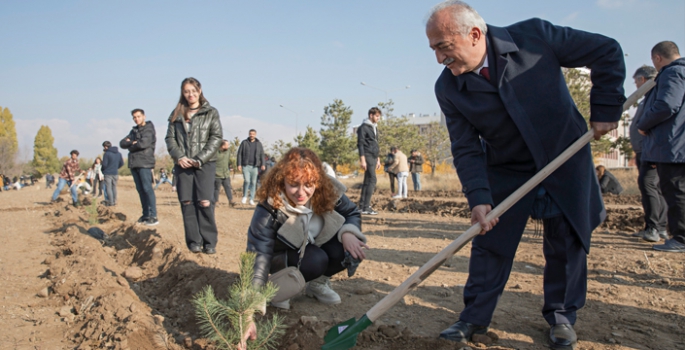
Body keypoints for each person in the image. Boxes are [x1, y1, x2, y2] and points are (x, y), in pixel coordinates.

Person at [426, 1, 626, 348]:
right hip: (507, 169)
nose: (439, 59)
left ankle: (562, 317)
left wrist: (606, 108)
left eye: (443, 47)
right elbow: (465, 148)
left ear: (474, 35)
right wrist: (478, 197)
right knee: (491, 243)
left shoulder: (534, 38)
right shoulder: (448, 89)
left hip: (565, 157)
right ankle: (473, 318)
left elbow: (606, 51)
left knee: (566, 240)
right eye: (433, 50)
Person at [246, 148, 368, 312]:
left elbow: (351, 212)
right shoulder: (269, 208)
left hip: (312, 246)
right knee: (315, 260)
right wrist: (254, 292)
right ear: (283, 181)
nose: (301, 193)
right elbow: (259, 252)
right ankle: (278, 288)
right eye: (294, 185)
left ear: (317, 181)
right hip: (282, 256)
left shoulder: (329, 191)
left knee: (345, 248)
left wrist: (348, 232)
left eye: (308, 185)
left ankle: (317, 284)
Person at [165, 77, 223, 254]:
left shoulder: (211, 112)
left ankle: (209, 241)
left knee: (205, 202)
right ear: (183, 93)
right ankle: (194, 241)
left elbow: (216, 138)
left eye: (193, 90)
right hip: (183, 165)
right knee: (187, 202)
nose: (190, 94)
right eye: (186, 91)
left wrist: (199, 159)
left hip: (204, 164)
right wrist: (179, 156)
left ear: (199, 91)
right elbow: (170, 139)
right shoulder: (176, 114)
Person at [637, 41, 685, 252]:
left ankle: (681, 238)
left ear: (657, 58)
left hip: (673, 147)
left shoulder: (672, 73)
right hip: (677, 145)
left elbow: (667, 104)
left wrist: (644, 123)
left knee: (675, 192)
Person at [628, 65, 669, 242]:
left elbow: (656, 125)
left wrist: (653, 152)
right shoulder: (649, 98)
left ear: (643, 80)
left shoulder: (654, 98)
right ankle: (656, 227)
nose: (635, 84)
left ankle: (655, 228)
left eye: (636, 81)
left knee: (649, 185)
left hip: (649, 151)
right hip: (646, 151)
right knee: (655, 188)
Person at [121, 108, 158, 226]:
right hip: (134, 163)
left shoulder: (149, 129)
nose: (136, 119)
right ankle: (146, 214)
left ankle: (153, 215)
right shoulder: (133, 131)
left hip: (144, 162)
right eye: (134, 117)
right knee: (140, 190)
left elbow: (143, 143)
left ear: (144, 116)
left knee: (147, 189)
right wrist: (132, 143)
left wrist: (131, 144)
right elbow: (122, 143)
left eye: (138, 116)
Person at [357, 107, 382, 215]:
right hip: (367, 155)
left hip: (373, 156)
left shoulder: (374, 127)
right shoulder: (363, 127)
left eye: (379, 117)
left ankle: (362, 206)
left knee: (367, 180)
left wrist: (378, 159)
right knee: (372, 180)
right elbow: (361, 144)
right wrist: (363, 159)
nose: (378, 118)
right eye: (376, 116)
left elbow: (375, 143)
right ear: (371, 115)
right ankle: (366, 207)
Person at [236, 129, 265, 206]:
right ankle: (244, 196)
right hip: (246, 165)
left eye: (253, 134)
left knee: (253, 182)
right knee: (247, 181)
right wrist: (239, 164)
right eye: (250, 134)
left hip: (255, 166)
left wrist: (263, 164)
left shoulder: (258, 144)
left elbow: (262, 154)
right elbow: (239, 154)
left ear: (255, 134)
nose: (251, 135)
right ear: (249, 134)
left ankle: (251, 199)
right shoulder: (244, 143)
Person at [101, 141, 124, 206]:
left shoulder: (107, 154)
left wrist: (103, 170)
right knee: (114, 187)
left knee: (108, 188)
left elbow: (104, 164)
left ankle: (110, 202)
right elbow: (122, 163)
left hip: (108, 173)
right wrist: (116, 168)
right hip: (115, 173)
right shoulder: (119, 153)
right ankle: (114, 201)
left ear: (106, 146)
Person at [214, 140, 234, 205]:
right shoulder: (216, 152)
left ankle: (231, 201)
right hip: (217, 174)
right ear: (223, 146)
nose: (228, 146)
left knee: (228, 187)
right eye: (227, 145)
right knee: (217, 188)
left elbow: (228, 160)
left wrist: (231, 167)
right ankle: (216, 201)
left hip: (226, 173)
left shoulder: (228, 152)